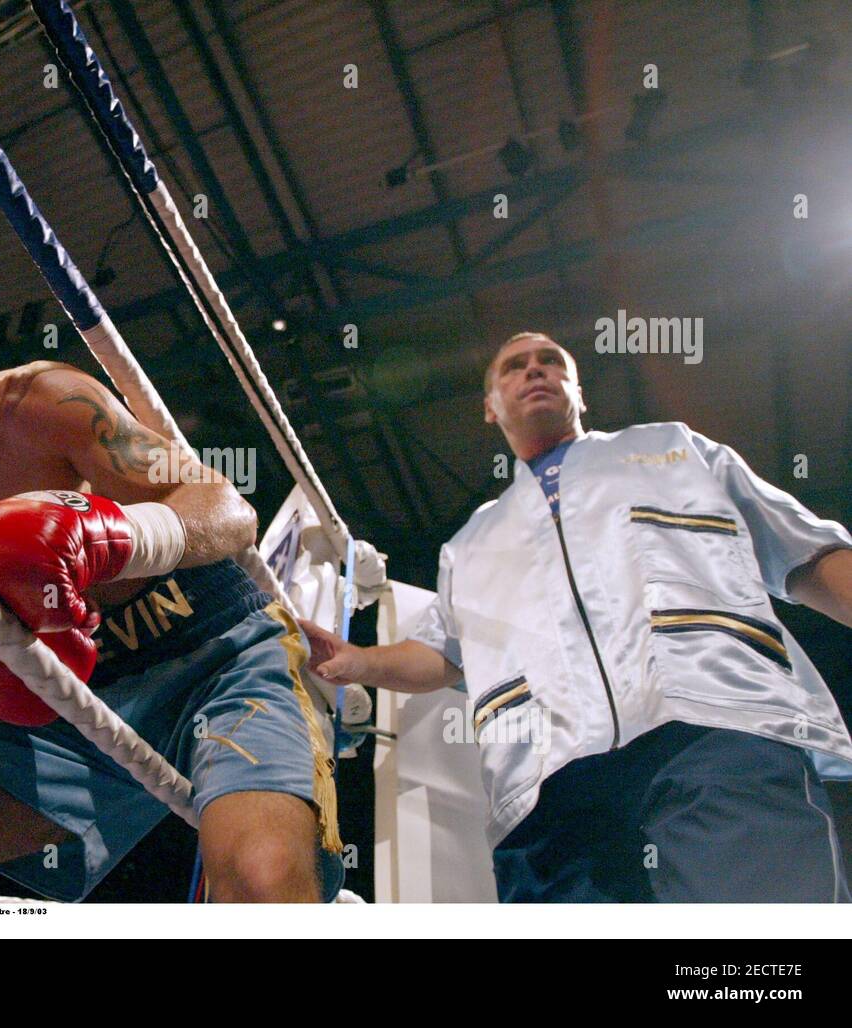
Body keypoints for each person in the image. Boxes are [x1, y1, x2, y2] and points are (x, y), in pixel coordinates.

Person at [0, 239, 342, 903]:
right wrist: (15, 667)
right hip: (78, 707)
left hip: (222, 656)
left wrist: (109, 539)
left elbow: (226, 510)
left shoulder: (38, 401)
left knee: (258, 878)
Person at [302, 331, 852, 902]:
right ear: (490, 407)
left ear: (578, 392)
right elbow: (441, 654)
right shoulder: (469, 544)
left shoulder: (675, 451)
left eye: (550, 362)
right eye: (515, 366)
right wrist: (355, 659)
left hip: (712, 727)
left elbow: (806, 549)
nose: (535, 371)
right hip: (547, 785)